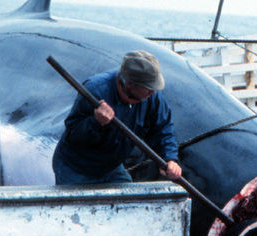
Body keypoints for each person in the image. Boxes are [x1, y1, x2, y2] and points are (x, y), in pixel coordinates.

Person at [52, 50, 183, 185]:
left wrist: (170, 158)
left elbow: (162, 129)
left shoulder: (152, 97)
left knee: (128, 202)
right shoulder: (96, 89)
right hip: (76, 169)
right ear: (129, 84)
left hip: (110, 168)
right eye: (148, 87)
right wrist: (95, 122)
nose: (153, 91)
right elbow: (73, 133)